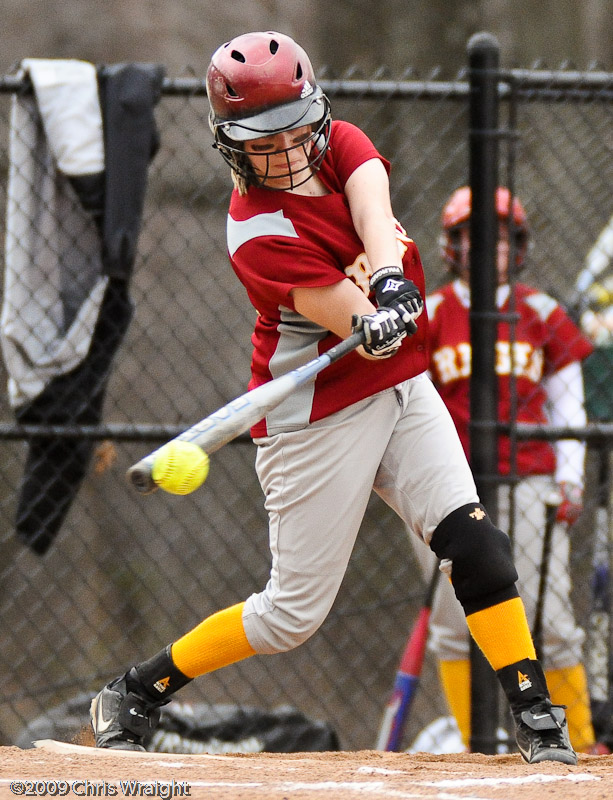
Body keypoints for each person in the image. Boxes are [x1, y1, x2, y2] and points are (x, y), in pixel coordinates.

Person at [90, 32, 577, 764]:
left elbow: (374, 215)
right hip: (315, 417)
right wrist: (367, 317)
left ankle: (537, 718)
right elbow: (344, 315)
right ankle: (137, 688)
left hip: (402, 389)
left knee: (477, 548)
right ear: (229, 144)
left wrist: (388, 282)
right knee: (290, 616)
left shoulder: (343, 143)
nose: (284, 147)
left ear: (316, 114)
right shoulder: (256, 231)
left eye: (293, 126)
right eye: (261, 137)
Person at [412, 185, 600, 753]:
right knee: (453, 623)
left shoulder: (540, 311)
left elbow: (568, 401)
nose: (489, 247)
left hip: (530, 480)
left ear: (517, 246)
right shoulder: (434, 314)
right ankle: (480, 745)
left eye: (501, 237)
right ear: (454, 246)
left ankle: (585, 744)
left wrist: (571, 476)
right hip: (450, 487)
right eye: (475, 236)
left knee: (551, 620)